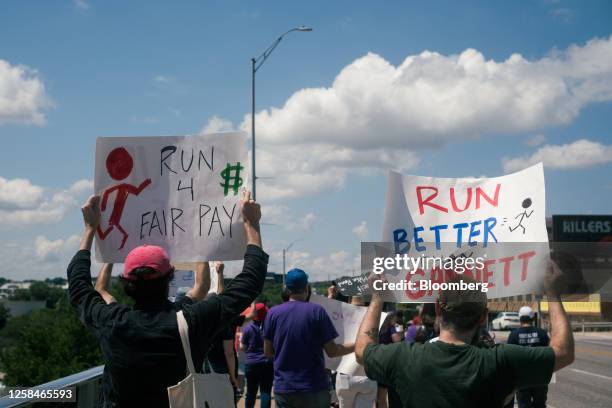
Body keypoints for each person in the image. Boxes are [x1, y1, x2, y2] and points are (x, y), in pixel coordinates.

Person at [68, 191, 267, 408]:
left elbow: (79, 287)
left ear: (126, 283)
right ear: (169, 277)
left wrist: (90, 230)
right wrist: (251, 224)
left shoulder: (112, 322)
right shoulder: (191, 320)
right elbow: (249, 282)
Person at [355, 265, 575, 408]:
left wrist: (377, 297)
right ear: (483, 318)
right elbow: (563, 352)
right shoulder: (500, 361)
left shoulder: (402, 357)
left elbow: (362, 350)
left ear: (439, 312)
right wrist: (553, 293)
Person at [263, 268, 356, 408]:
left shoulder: (273, 314)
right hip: (314, 387)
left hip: (284, 388)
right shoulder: (316, 311)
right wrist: (358, 344)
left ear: (287, 288)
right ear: (307, 287)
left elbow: (268, 352)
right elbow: (333, 351)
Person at [335, 296, 377, 408]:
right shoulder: (375, 319)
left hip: (345, 375)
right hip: (367, 375)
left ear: (349, 302)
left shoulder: (340, 318)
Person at [507, 306, 550, 408]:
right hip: (540, 376)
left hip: (522, 377)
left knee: (524, 404)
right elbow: (548, 352)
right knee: (540, 404)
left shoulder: (514, 335)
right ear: (532, 318)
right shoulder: (542, 333)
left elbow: (509, 357)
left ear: (520, 318)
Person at [241, 302, 273, 408]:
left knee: (250, 392)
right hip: (267, 362)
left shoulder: (247, 328)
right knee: (266, 392)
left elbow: (243, 348)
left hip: (251, 363)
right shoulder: (270, 328)